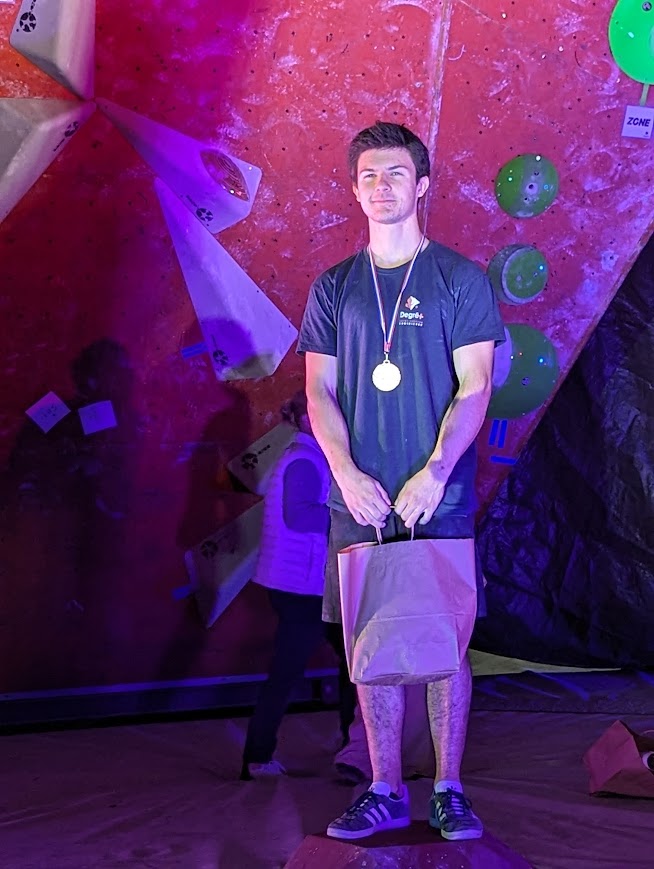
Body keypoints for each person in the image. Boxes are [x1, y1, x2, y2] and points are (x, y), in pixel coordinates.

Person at [297, 121, 505, 840]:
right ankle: (384, 788)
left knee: (446, 645)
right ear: (354, 190)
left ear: (422, 186)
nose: (380, 186)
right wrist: (347, 473)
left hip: (437, 499)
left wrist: (436, 471)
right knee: (371, 649)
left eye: (395, 174)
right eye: (368, 176)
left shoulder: (458, 279)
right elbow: (318, 391)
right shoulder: (334, 287)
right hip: (359, 502)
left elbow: (476, 385)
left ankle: (448, 788)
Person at [241, 391, 356, 780]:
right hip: (302, 587)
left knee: (349, 665)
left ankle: (354, 747)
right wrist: (351, 514)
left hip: (303, 584)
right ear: (306, 419)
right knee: (293, 671)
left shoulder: (309, 456)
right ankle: (259, 757)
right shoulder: (306, 459)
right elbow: (300, 517)